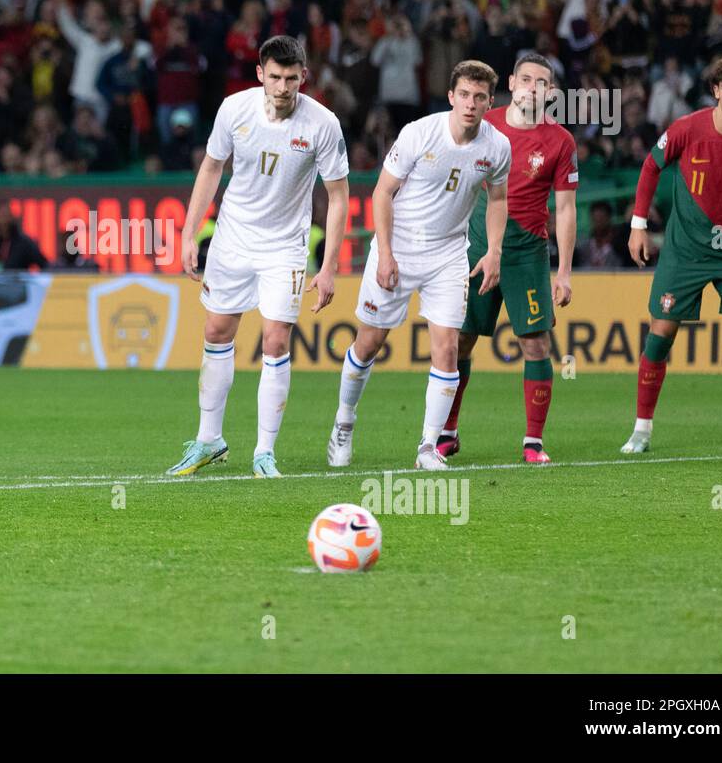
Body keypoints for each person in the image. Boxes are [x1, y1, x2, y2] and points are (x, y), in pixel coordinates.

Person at [169, 35, 350, 479]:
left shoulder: (323, 124)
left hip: (285, 246)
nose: (283, 86)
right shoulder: (234, 109)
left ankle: (264, 451)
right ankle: (209, 439)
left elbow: (339, 196)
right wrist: (190, 233)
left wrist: (328, 267)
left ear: (303, 77)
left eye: (292, 78)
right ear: (260, 75)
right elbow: (211, 168)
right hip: (233, 238)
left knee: (275, 340)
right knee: (216, 329)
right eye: (275, 77)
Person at [329, 60, 512, 471]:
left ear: (489, 103)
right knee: (369, 342)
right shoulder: (419, 134)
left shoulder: (497, 147)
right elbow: (382, 193)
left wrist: (494, 249)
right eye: (464, 95)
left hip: (449, 254)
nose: (470, 104)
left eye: (479, 97)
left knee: (448, 348)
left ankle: (428, 446)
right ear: (451, 97)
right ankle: (344, 420)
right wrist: (387, 253)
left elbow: (497, 200)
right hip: (400, 247)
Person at [622, 55, 722, 455]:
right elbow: (651, 168)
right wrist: (638, 225)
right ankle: (641, 430)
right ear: (715, 91)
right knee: (661, 336)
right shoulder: (688, 128)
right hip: (684, 250)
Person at [441, 53, 578, 463]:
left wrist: (565, 271)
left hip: (526, 254)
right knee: (460, 339)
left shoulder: (560, 142)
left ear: (550, 92)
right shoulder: (484, 125)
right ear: (513, 84)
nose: (533, 88)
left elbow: (567, 208)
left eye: (542, 82)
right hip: (477, 244)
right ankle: (448, 430)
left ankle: (533, 442)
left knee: (535, 344)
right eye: (526, 79)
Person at [0, 202, 48, 270]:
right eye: (0, 215)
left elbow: (44, 265)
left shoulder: (24, 243)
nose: (3, 220)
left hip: (16, 282)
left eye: (6, 215)